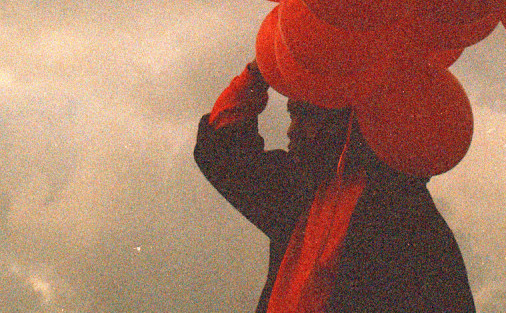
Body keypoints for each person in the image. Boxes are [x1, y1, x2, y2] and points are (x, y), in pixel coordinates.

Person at [194, 60, 476, 313]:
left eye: (305, 115)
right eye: (293, 115)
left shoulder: (408, 217)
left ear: (349, 120)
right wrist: (259, 72)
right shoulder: (300, 188)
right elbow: (221, 150)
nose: (292, 130)